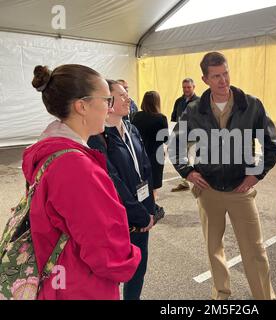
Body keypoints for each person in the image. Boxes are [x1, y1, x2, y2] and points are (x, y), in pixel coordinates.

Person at [169, 52, 276, 300]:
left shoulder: (251, 105)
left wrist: (257, 174)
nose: (223, 80)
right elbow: (175, 145)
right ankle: (221, 294)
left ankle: (264, 297)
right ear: (205, 79)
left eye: (226, 73)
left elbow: (272, 144)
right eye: (216, 76)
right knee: (213, 247)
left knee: (254, 250)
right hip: (208, 190)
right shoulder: (193, 110)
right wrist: (188, 171)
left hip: (240, 190)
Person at [25, 65, 141, 300]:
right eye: (107, 100)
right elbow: (106, 252)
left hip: (58, 277)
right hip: (80, 286)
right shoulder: (77, 167)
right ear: (82, 106)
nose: (110, 108)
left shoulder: (50, 150)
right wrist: (134, 255)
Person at [88, 80, 155, 300]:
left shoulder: (132, 129)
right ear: (108, 103)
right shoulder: (97, 139)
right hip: (120, 220)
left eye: (127, 94)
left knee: (138, 271)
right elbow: (114, 183)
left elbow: (145, 166)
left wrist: (150, 208)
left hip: (142, 216)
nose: (128, 98)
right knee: (112, 275)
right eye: (122, 95)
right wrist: (140, 215)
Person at [132, 91, 169, 201]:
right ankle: (152, 208)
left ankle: (145, 205)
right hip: (155, 154)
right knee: (153, 184)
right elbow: (165, 138)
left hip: (140, 152)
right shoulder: (161, 118)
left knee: (142, 181)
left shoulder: (137, 116)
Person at [170, 78, 200, 192]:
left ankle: (193, 181)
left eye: (189, 87)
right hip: (180, 135)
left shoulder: (199, 102)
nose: (186, 89)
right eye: (184, 87)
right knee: (183, 159)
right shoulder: (179, 101)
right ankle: (186, 181)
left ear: (194, 87)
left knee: (192, 159)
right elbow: (174, 117)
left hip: (194, 136)